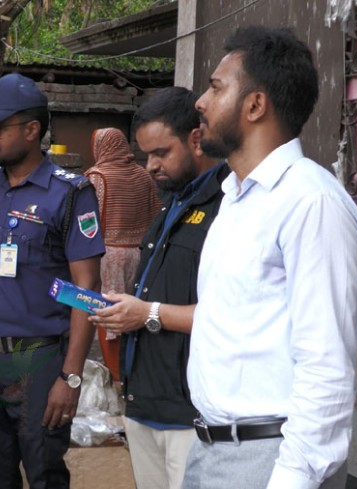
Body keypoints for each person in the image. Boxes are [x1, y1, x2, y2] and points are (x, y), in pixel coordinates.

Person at [182, 27, 357, 489]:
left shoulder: (312, 204)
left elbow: (326, 365)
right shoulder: (235, 196)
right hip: (212, 450)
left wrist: (291, 479)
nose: (201, 102)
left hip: (269, 460)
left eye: (216, 87)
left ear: (254, 105)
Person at [0, 72, 105, 489]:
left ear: (32, 129)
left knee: (43, 474)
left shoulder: (70, 193)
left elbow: (85, 290)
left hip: (39, 363)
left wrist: (70, 377)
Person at [88, 88, 229, 489]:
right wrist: (126, 309)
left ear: (196, 139)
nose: (150, 166)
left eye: (161, 153)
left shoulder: (230, 206)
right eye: (144, 155)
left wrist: (146, 313)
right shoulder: (170, 201)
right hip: (143, 401)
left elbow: (233, 314)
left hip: (190, 411)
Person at [84, 127, 159, 384]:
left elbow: (90, 223)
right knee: (132, 312)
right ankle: (130, 370)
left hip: (108, 256)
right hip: (140, 254)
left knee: (108, 315)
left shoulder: (97, 176)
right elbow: (154, 215)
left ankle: (116, 375)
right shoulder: (144, 175)